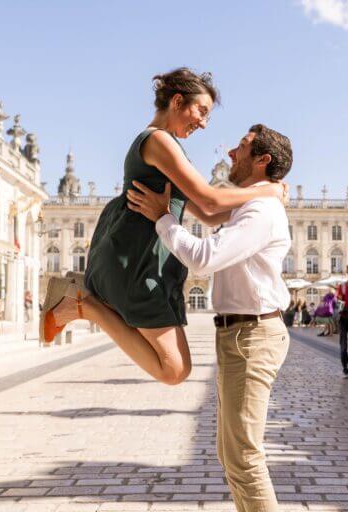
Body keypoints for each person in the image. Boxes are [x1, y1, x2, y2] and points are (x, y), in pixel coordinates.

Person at [39, 69, 286, 386]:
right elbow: (210, 201)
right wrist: (267, 191)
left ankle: (82, 300)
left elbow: (209, 217)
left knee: (176, 369)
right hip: (136, 259)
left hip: (149, 260)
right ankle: (83, 303)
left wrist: (259, 218)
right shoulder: (157, 141)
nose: (204, 123)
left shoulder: (171, 148)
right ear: (178, 101)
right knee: (174, 369)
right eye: (202, 111)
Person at [127, 124, 293, 511]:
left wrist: (162, 219)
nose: (232, 153)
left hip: (253, 336)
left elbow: (204, 257)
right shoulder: (251, 204)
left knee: (244, 457)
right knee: (231, 454)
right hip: (239, 335)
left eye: (242, 147)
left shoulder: (261, 211)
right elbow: (205, 207)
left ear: (262, 160)